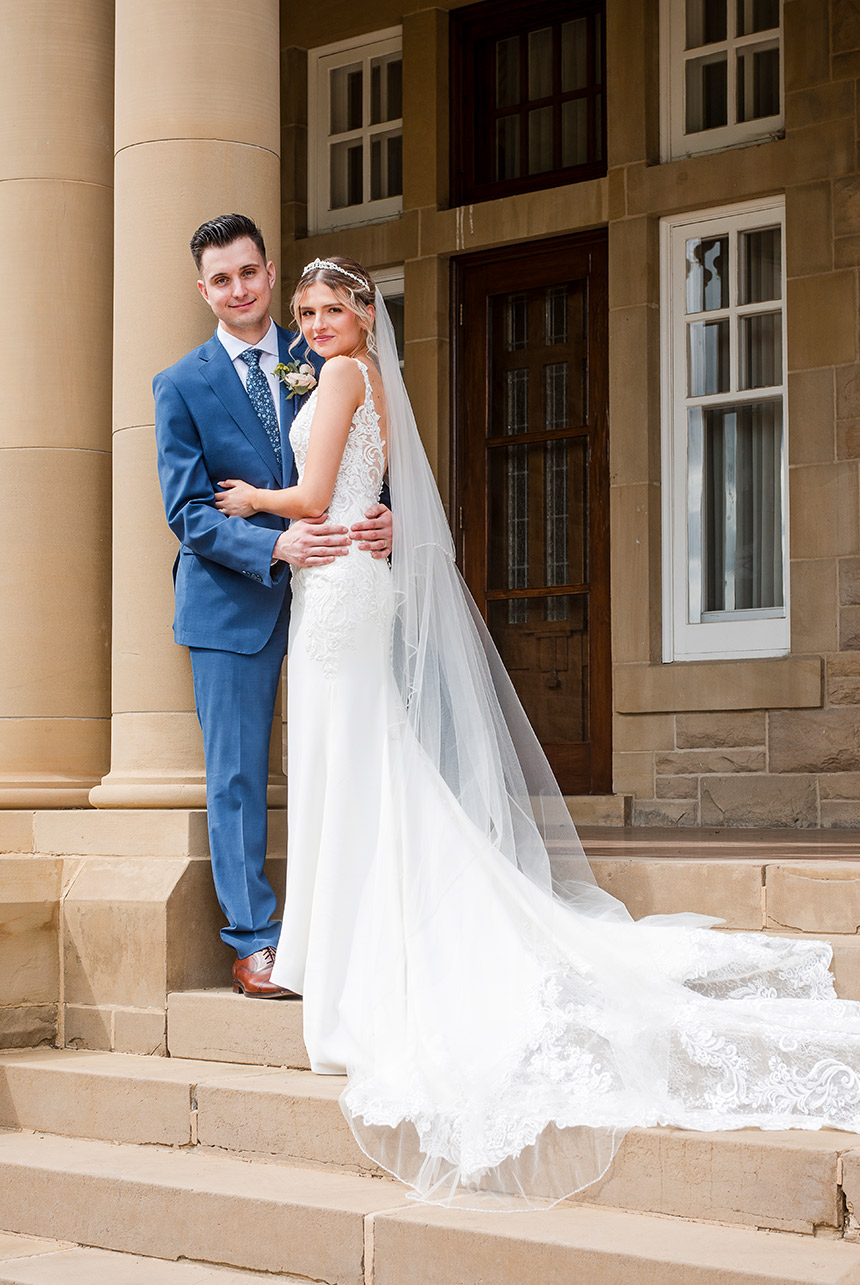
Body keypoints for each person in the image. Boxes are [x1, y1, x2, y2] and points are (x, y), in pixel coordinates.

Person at [215, 255, 860, 1209]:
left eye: (328, 308)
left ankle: (345, 947)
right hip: (348, 585)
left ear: (363, 313)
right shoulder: (372, 382)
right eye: (303, 311)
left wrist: (251, 501)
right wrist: (351, 514)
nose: (312, 323)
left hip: (339, 594)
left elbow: (313, 501)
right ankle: (336, 937)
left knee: (350, 766)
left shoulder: (346, 376)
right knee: (362, 766)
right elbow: (362, 494)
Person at [153, 216, 392, 999]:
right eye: (220, 279)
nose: (238, 289)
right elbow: (187, 510)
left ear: (269, 271)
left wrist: (385, 514)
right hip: (232, 597)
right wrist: (272, 547)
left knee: (346, 749)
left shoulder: (320, 347)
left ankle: (349, 920)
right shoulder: (180, 384)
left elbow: (362, 452)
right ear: (203, 290)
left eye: (249, 272)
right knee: (238, 775)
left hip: (334, 592)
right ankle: (256, 938)